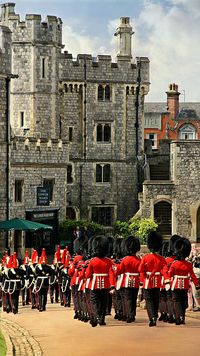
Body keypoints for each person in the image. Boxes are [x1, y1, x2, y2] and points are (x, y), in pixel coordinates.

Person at [169, 237, 200, 325]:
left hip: (175, 284)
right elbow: (192, 275)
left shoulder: (174, 263)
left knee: (177, 301)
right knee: (183, 301)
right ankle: (182, 317)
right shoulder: (189, 264)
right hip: (185, 284)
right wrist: (197, 285)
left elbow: (170, 274)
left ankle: (179, 317)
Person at [85, 235, 115, 327]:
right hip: (105, 284)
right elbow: (111, 274)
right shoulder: (109, 261)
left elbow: (88, 275)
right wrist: (112, 284)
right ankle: (101, 319)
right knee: (103, 302)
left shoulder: (92, 261)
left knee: (94, 302)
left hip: (94, 284)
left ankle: (97, 317)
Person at [139, 231, 166, 327]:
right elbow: (164, 270)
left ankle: (152, 317)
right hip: (157, 282)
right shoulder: (162, 259)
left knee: (149, 300)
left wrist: (142, 280)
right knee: (155, 300)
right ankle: (155, 315)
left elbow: (141, 270)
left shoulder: (145, 258)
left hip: (148, 282)